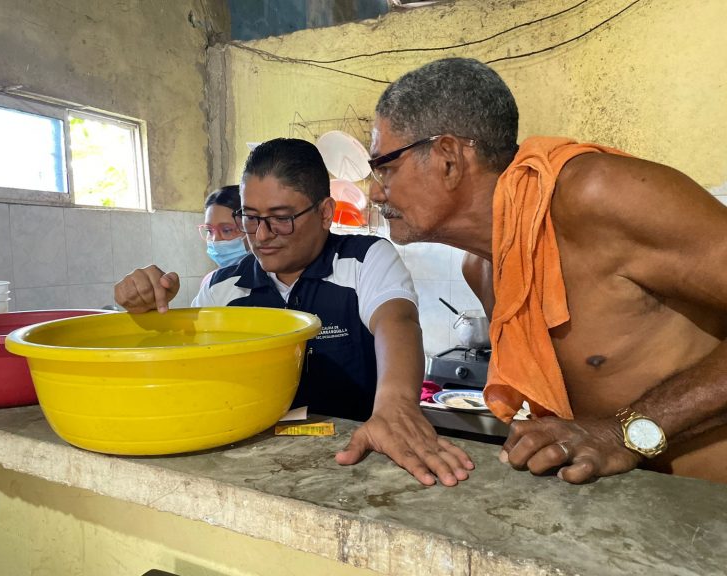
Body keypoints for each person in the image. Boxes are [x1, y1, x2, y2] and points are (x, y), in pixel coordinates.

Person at [368, 57, 727, 484]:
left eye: (384, 167)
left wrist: (625, 434)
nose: (374, 192)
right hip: (628, 525)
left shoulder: (596, 194)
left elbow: (610, 436)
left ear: (448, 158)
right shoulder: (482, 268)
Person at [115, 137, 475, 487]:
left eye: (281, 218)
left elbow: (397, 320)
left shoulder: (364, 259)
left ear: (324, 213)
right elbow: (186, 371)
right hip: (253, 464)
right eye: (250, 217)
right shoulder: (221, 287)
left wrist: (395, 406)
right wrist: (150, 316)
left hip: (355, 461)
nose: (261, 235)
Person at [198, 185, 250, 287]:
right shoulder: (210, 281)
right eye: (209, 230)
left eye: (226, 230)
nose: (215, 240)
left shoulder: (275, 281)